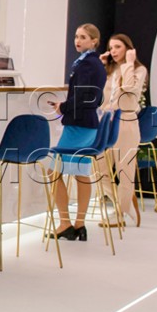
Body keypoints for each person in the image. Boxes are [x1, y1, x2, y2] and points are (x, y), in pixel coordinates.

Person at [46, 24, 106, 242]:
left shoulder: (87, 64)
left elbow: (83, 96)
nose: (77, 41)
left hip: (78, 125)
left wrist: (63, 107)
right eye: (76, 36)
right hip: (87, 123)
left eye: (83, 37)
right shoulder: (94, 63)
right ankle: (79, 225)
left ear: (94, 41)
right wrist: (65, 105)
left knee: (53, 172)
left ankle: (65, 223)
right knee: (81, 173)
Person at [100, 33, 148, 224]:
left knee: (125, 171)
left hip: (126, 122)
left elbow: (129, 88)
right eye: (111, 47)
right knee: (98, 169)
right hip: (106, 123)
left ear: (128, 48)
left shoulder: (138, 70)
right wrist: (100, 66)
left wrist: (129, 63)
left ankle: (120, 213)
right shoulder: (110, 71)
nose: (113, 51)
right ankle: (123, 202)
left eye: (118, 47)